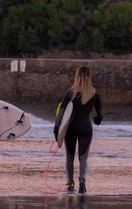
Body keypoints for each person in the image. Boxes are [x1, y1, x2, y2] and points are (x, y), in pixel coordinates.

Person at [54, 66, 103, 194]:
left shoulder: (71, 92)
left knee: (69, 158)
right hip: (86, 128)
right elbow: (100, 113)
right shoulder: (94, 93)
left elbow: (61, 112)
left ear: (77, 76)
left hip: (71, 129)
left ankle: (70, 184)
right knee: (83, 158)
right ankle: (82, 180)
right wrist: (98, 119)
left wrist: (56, 128)